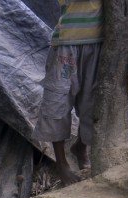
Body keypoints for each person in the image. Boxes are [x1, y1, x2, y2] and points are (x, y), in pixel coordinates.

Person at [41, 2, 102, 184]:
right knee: (57, 102)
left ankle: (81, 146)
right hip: (66, 44)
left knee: (93, 103)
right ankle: (62, 164)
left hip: (99, 41)